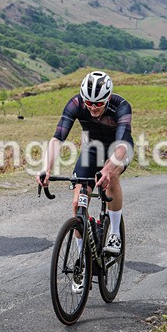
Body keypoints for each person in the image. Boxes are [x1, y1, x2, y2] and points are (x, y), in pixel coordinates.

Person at [36, 71, 133, 259]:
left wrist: (106, 169)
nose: (93, 108)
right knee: (77, 202)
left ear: (108, 98)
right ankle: (82, 257)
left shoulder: (121, 106)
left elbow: (122, 146)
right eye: (89, 103)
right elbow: (57, 139)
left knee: (111, 177)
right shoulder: (76, 103)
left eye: (98, 104)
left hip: (118, 148)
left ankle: (114, 233)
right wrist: (46, 168)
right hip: (92, 149)